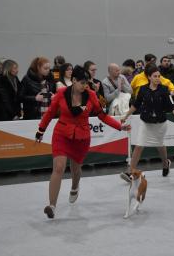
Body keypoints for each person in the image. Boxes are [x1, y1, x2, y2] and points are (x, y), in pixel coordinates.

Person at [35, 66, 130, 218]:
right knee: (58, 167)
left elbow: (102, 116)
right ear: (73, 81)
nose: (85, 86)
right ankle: (52, 205)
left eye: (87, 83)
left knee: (75, 169)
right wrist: (40, 131)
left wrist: (120, 126)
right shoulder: (61, 93)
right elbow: (50, 113)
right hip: (62, 134)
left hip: (81, 137)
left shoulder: (91, 95)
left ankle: (74, 186)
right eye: (82, 83)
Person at [119, 64, 174, 182]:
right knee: (139, 146)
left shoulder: (164, 90)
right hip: (145, 122)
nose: (158, 78)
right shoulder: (143, 89)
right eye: (155, 76)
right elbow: (135, 105)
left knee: (160, 146)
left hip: (160, 123)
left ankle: (165, 163)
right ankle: (130, 172)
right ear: (149, 77)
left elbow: (171, 105)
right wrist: (126, 116)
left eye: (159, 76)